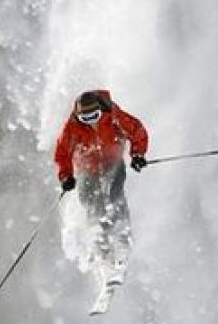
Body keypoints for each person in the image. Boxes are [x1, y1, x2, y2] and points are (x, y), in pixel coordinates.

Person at [54, 90, 149, 299]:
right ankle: (104, 252)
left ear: (101, 111)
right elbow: (62, 153)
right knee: (92, 206)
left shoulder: (114, 115)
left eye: (94, 117)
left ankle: (122, 242)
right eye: (84, 119)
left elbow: (137, 130)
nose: (90, 123)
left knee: (115, 198)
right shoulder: (72, 127)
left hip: (113, 162)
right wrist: (66, 176)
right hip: (87, 169)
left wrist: (138, 154)